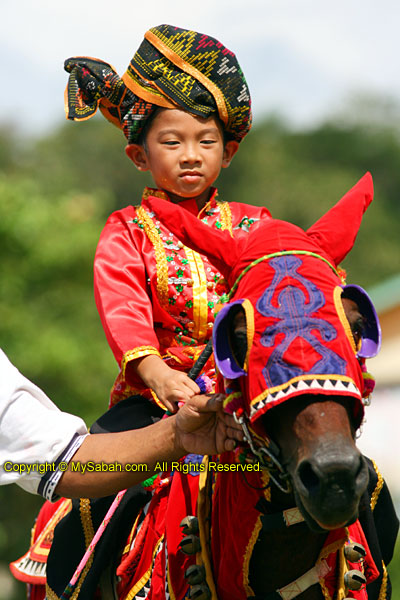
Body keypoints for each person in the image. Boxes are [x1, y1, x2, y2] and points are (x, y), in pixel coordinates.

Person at [63, 23, 272, 413]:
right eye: (172, 142)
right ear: (139, 156)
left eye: (206, 141)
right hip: (157, 397)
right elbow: (122, 308)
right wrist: (158, 374)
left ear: (228, 153)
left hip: (248, 390)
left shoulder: (256, 224)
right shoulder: (127, 230)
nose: (191, 154)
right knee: (104, 468)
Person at [0, 347, 242, 500]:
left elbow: (62, 461)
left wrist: (178, 434)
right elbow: (62, 465)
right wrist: (160, 376)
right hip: (160, 387)